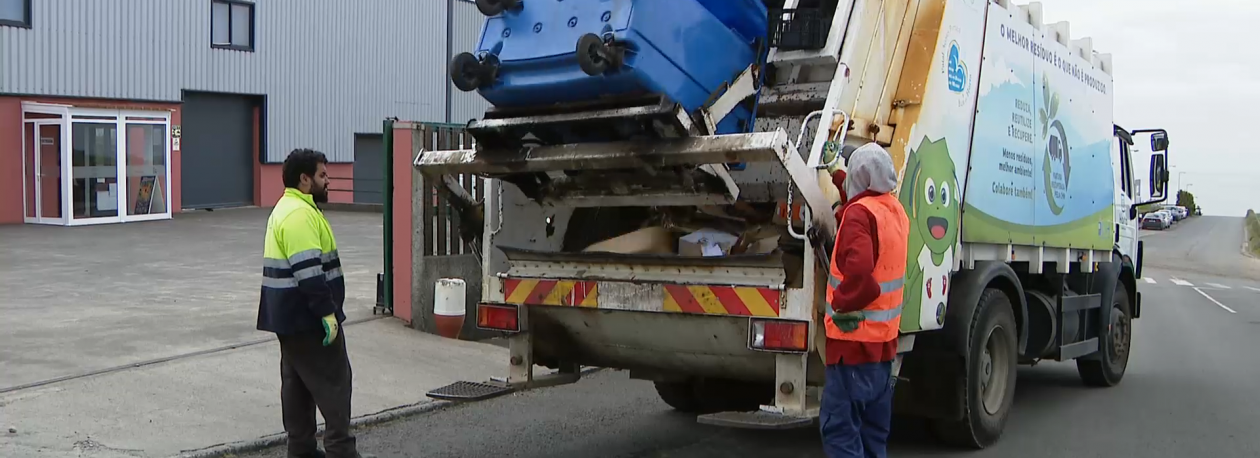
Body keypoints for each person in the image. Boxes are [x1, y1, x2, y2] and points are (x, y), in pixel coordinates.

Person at [257, 149, 370, 458]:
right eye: (322, 175)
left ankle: (302, 450)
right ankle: (340, 450)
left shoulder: (291, 208)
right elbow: (309, 272)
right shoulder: (298, 215)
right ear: (304, 179)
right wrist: (328, 314)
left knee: (298, 385)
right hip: (309, 319)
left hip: (289, 318)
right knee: (334, 383)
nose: (327, 180)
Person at [818, 143, 909, 458]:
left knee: (841, 432)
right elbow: (858, 197)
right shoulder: (892, 209)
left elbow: (863, 280)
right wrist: (835, 171)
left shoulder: (858, 216)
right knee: (873, 436)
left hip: (852, 348)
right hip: (882, 350)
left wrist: (841, 302)